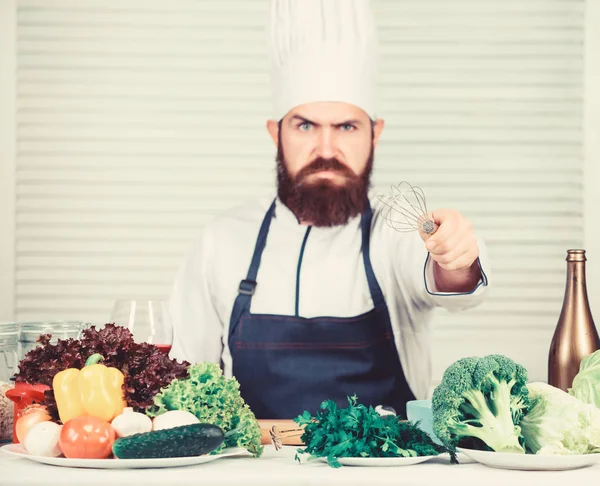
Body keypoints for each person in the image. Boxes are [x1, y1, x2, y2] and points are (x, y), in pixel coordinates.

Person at [168, 0, 490, 419]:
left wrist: (457, 254)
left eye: (347, 127)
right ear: (275, 134)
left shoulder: (397, 235)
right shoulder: (222, 240)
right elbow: (184, 378)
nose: (326, 150)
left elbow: (456, 285)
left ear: (375, 135)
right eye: (305, 126)